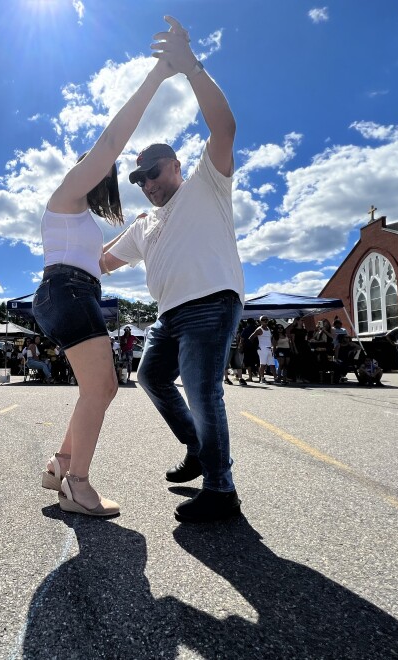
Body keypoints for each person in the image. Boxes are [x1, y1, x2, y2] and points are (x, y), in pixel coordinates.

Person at [33, 20, 178, 518]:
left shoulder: (79, 219)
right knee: (104, 387)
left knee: (95, 387)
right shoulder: (67, 192)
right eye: (98, 166)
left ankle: (61, 464)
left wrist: (129, 231)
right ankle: (78, 484)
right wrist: (157, 77)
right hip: (67, 294)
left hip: (76, 291)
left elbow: (97, 262)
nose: (105, 172)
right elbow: (112, 142)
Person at [101, 17, 244, 523]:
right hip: (169, 315)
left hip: (210, 301)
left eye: (154, 174)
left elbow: (224, 127)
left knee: (204, 391)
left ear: (176, 165)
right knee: (149, 378)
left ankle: (222, 489)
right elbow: (102, 260)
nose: (148, 184)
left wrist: (191, 68)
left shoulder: (208, 184)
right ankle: (197, 450)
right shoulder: (146, 223)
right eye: (139, 179)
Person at [249, 317, 274, 384]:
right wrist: (256, 346)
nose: (265, 321)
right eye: (263, 320)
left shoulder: (268, 329)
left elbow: (270, 339)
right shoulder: (259, 329)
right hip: (262, 348)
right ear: (260, 321)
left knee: (272, 364)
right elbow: (251, 337)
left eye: (266, 319)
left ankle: (276, 378)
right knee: (262, 364)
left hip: (269, 348)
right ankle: (262, 379)